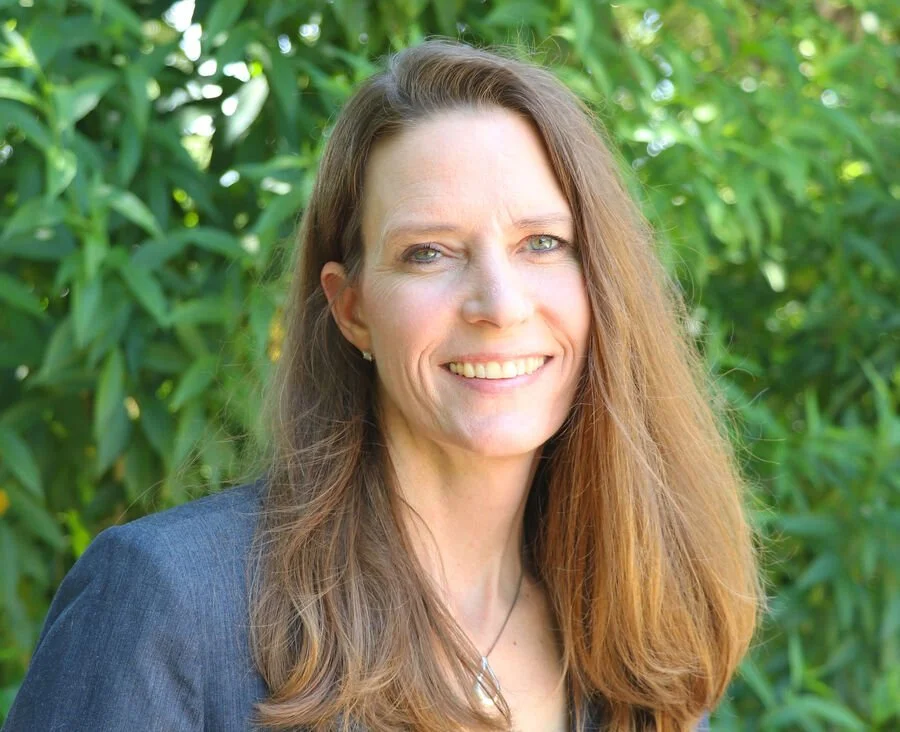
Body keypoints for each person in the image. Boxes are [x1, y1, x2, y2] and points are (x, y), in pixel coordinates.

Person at [2, 40, 760, 731]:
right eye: (430, 252)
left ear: (603, 282)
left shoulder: (628, 640)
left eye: (543, 243)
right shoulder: (168, 607)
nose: (499, 305)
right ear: (352, 308)